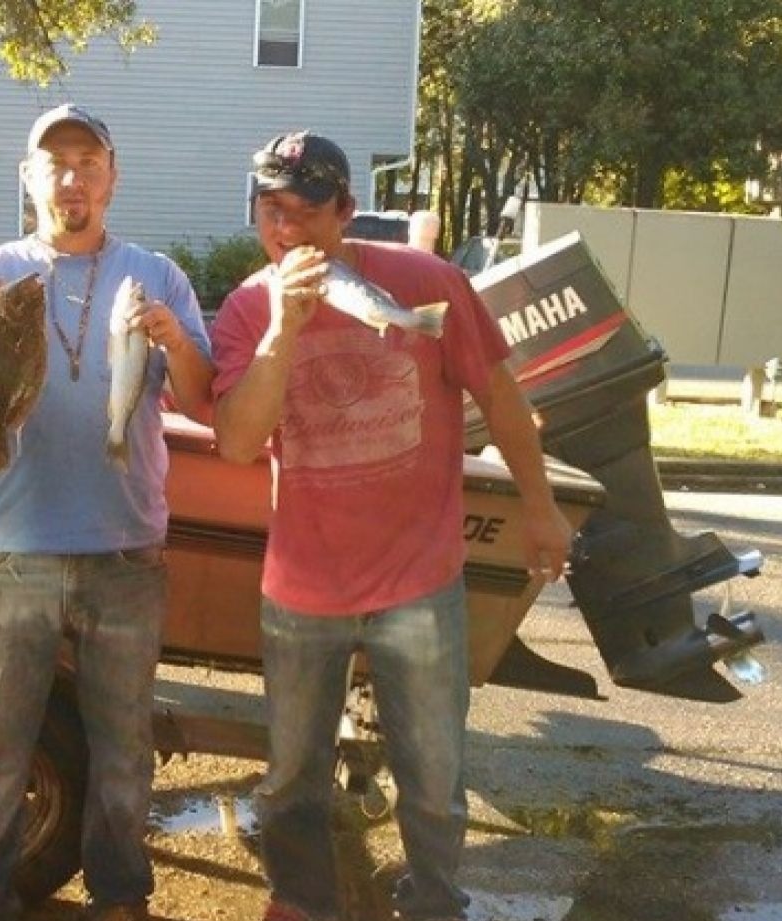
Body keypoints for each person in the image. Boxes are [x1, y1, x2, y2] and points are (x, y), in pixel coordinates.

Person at [211, 131, 573, 921]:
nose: (288, 229)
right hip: (303, 586)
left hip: (420, 580)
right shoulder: (245, 308)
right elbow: (237, 442)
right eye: (271, 210)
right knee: (292, 774)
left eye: (307, 210)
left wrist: (542, 507)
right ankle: (300, 900)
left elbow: (502, 399)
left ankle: (435, 901)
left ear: (346, 211)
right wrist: (283, 328)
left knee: (434, 774)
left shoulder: (427, 282)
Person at [0, 103, 214, 921]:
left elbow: (205, 401)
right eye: (56, 163)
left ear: (112, 177)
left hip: (127, 552)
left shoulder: (157, 276)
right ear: (29, 177)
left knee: (124, 748)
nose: (72, 177)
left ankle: (119, 897)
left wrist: (176, 342)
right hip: (14, 551)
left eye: (89, 162)